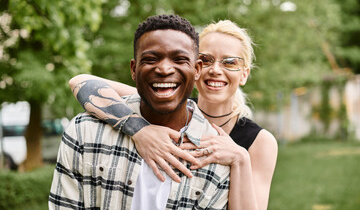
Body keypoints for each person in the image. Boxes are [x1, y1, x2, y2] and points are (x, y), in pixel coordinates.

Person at [70, 20, 278, 210]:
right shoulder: (167, 104)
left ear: (244, 74)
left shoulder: (260, 142)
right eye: (206, 60)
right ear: (194, 68)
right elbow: (82, 82)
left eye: (229, 62)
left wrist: (239, 158)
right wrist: (140, 130)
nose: (215, 70)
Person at [49, 14, 230, 210]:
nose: (164, 69)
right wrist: (139, 129)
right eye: (151, 59)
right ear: (134, 69)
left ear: (197, 70)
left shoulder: (216, 158)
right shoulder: (84, 131)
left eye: (179, 59)